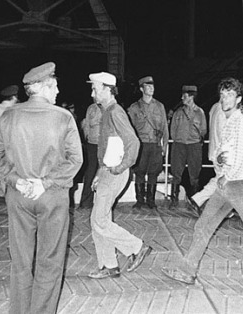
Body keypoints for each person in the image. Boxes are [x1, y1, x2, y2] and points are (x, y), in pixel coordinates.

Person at [162, 77, 243, 290]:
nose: (225, 99)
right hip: (227, 187)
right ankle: (187, 271)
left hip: (238, 186)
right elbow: (226, 152)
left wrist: (224, 175)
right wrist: (220, 160)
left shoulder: (241, 122)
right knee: (203, 226)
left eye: (230, 95)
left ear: (238, 98)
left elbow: (242, 155)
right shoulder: (229, 121)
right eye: (222, 95)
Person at [0, 62, 83, 314]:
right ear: (46, 86)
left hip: (19, 196)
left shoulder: (8, 116)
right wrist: (45, 183)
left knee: (20, 260)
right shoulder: (63, 117)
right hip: (51, 196)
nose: (58, 91)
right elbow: (75, 160)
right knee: (50, 260)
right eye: (56, 85)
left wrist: (16, 181)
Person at [86, 72, 152, 279]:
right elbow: (107, 146)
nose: (92, 93)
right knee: (98, 219)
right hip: (107, 171)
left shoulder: (115, 112)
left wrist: (121, 166)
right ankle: (109, 265)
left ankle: (136, 247)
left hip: (115, 173)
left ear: (107, 89)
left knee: (99, 221)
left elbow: (133, 142)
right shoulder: (107, 111)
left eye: (95, 88)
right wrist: (100, 170)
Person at [189, 98, 243, 212]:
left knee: (224, 179)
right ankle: (199, 200)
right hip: (224, 153)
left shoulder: (214, 107)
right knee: (223, 179)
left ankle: (224, 208)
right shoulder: (229, 111)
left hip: (215, 150)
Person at [128, 76, 169, 209]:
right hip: (141, 144)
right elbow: (129, 129)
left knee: (153, 172)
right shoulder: (134, 108)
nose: (151, 88)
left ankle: (151, 200)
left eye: (152, 86)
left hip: (155, 144)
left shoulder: (159, 106)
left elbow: (164, 128)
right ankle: (139, 200)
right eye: (148, 86)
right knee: (139, 172)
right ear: (141, 88)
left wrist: (165, 146)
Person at [169, 85, 207, 209]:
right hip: (179, 145)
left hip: (194, 145)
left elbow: (203, 130)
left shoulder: (199, 112)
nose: (182, 98)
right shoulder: (178, 112)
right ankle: (174, 199)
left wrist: (194, 140)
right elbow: (173, 130)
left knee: (194, 173)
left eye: (184, 96)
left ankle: (194, 200)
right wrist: (178, 140)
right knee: (176, 172)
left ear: (191, 97)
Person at [78, 99, 102, 210]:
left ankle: (102, 204)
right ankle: (86, 202)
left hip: (105, 145)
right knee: (90, 173)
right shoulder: (91, 108)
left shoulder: (110, 107)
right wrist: (87, 140)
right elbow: (86, 125)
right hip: (92, 145)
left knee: (104, 174)